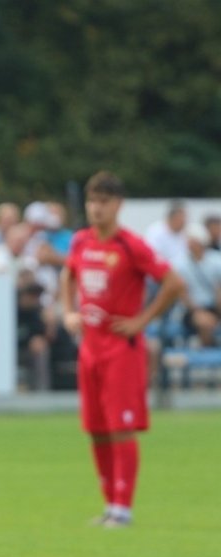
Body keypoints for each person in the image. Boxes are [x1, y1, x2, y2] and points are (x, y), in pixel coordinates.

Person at [59, 171, 183, 529]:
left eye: (104, 202)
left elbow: (174, 282)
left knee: (120, 428)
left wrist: (141, 321)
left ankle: (124, 508)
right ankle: (109, 505)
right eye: (92, 201)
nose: (97, 208)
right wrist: (69, 311)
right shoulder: (81, 241)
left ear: (118, 205)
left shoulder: (132, 245)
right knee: (96, 429)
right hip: (90, 349)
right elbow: (68, 275)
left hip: (121, 350)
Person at [175, 223, 221, 348]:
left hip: (213, 307)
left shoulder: (215, 260)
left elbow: (218, 290)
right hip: (192, 310)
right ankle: (211, 352)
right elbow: (183, 294)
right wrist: (197, 311)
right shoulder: (181, 264)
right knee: (204, 322)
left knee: (206, 320)